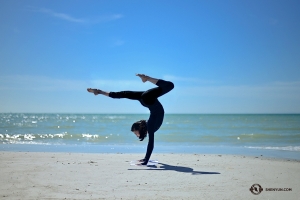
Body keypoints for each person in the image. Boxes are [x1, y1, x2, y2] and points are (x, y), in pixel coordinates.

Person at [87, 74, 174, 166]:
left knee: (124, 94)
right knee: (124, 94)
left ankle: (100, 92)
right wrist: (145, 159)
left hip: (147, 99)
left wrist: (146, 160)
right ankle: (100, 91)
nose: (136, 135)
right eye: (135, 133)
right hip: (147, 99)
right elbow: (151, 143)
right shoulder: (150, 125)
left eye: (135, 132)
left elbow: (151, 144)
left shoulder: (150, 124)